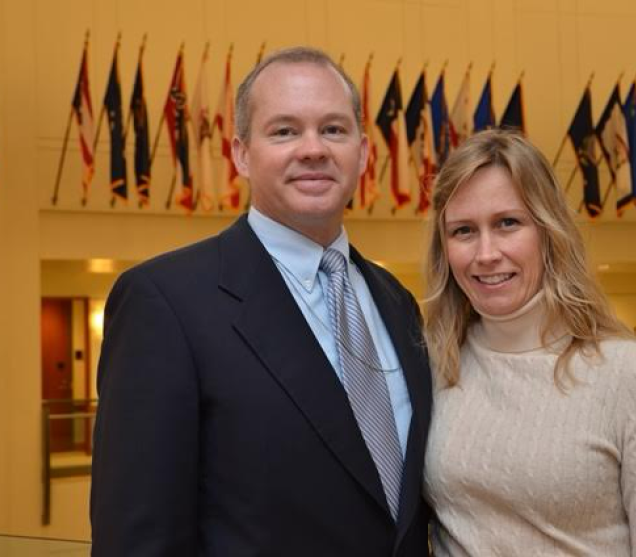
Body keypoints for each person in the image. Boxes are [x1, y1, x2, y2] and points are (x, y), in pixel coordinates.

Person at [89, 47, 432, 556]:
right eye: (285, 131)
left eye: (334, 129)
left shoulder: (396, 302)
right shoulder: (164, 303)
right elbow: (138, 539)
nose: (313, 149)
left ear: (363, 152)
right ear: (241, 153)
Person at [422, 130, 636, 556]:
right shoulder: (431, 367)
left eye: (507, 223)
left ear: (548, 230)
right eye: (463, 230)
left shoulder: (633, 375)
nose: (486, 253)